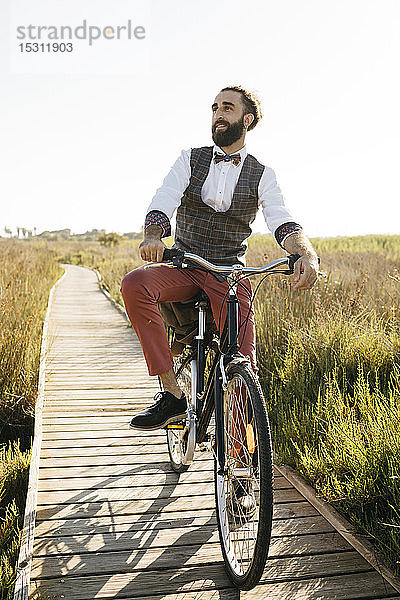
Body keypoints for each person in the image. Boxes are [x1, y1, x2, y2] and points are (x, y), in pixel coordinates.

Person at [121, 85, 319, 431]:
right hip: (183, 265)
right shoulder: (190, 159)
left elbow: (282, 218)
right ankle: (172, 394)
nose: (218, 114)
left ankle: (240, 465)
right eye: (214, 107)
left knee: (244, 362)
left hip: (229, 274)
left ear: (248, 119)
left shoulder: (262, 174)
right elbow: (164, 197)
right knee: (135, 283)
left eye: (227, 108)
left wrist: (305, 254)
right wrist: (154, 234)